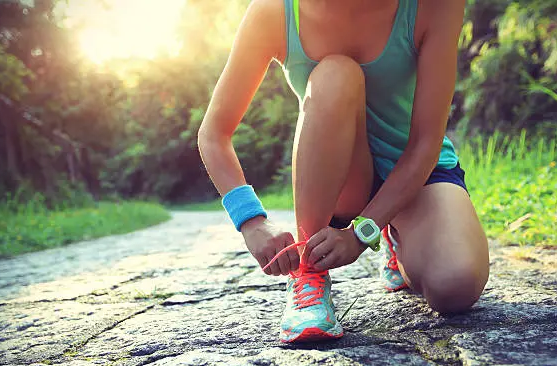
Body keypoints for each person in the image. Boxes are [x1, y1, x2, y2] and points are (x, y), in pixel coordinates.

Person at [198, 0, 489, 343]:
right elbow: (214, 134)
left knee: (455, 285)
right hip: (345, 177)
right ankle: (308, 275)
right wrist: (251, 221)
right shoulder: (274, 11)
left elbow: (425, 143)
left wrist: (363, 231)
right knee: (336, 72)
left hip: (415, 172)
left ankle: (394, 237)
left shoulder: (434, 6)